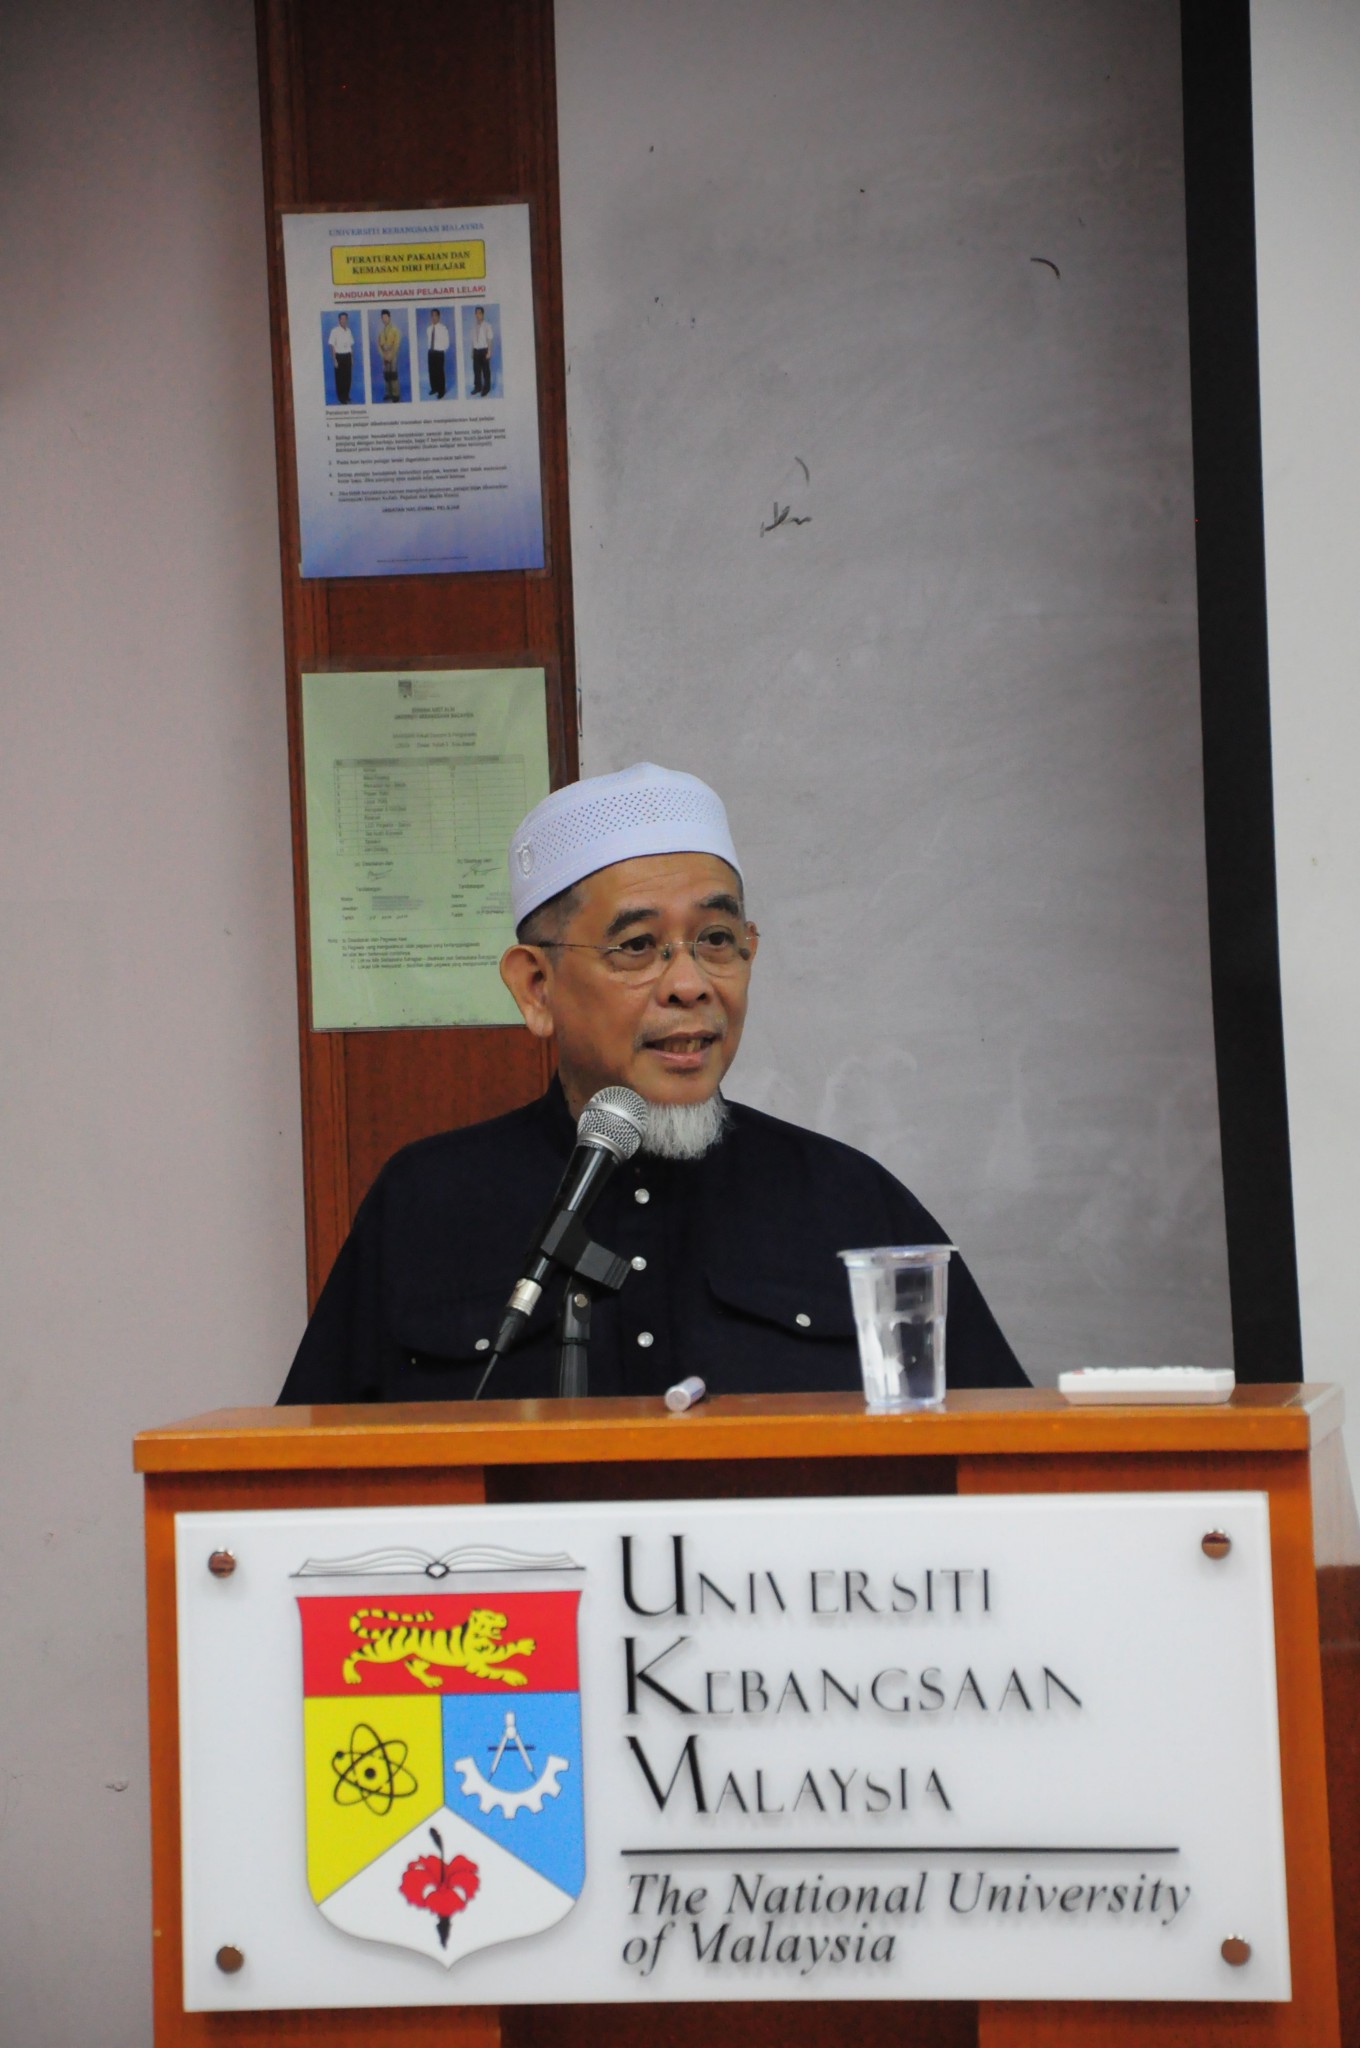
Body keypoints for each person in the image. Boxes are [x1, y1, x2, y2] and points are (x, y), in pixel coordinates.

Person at [280, 764, 1026, 1405]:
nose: (689, 983)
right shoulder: (429, 1204)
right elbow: (309, 1483)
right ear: (536, 988)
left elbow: (1002, 1466)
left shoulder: (852, 1203)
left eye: (717, 940)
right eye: (638, 946)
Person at [327, 312, 355, 404]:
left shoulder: (349, 331)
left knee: (348, 377)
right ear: (339, 320)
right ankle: (341, 397)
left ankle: (346, 395)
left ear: (347, 320)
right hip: (339, 356)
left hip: (347, 356)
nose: (343, 320)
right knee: (340, 378)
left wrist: (352, 358)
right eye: (342, 319)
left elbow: (350, 346)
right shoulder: (334, 331)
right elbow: (332, 346)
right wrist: (334, 359)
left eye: (345, 319)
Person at [375, 308, 403, 402]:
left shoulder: (395, 330)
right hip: (384, 354)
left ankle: (395, 395)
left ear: (389, 317)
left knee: (393, 374)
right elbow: (378, 344)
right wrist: (383, 355)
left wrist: (391, 355)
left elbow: (397, 343)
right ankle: (388, 393)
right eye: (382, 317)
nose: (384, 319)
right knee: (386, 375)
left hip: (392, 354)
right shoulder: (381, 332)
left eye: (386, 317)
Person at [470, 304, 494, 397]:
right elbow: (473, 340)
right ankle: (478, 387)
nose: (478, 315)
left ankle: (486, 388)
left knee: (485, 371)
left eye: (479, 313)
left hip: (484, 350)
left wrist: (489, 351)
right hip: (476, 351)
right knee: (476, 371)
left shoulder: (487, 325)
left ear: (483, 314)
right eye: (476, 313)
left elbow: (489, 339)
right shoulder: (474, 327)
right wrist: (472, 351)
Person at [426, 307, 449, 399]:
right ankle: (434, 388)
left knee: (439, 372)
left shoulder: (443, 328)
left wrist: (441, 351)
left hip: (439, 353)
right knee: (431, 371)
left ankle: (441, 391)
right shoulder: (428, 328)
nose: (433, 317)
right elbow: (429, 340)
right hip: (430, 352)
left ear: (439, 317)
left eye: (435, 315)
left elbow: (446, 342)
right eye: (432, 315)